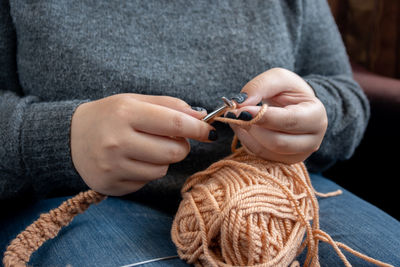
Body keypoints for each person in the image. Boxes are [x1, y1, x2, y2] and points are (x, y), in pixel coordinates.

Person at [0, 0, 399, 266]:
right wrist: (59, 138)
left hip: (274, 194)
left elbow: (346, 93)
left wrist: (314, 114)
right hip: (79, 197)